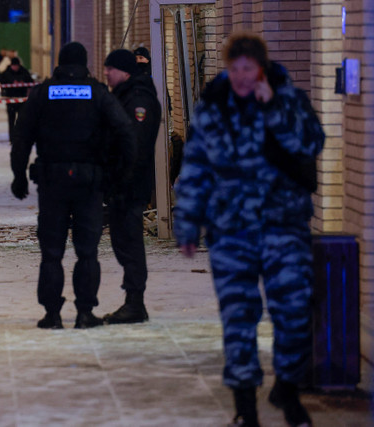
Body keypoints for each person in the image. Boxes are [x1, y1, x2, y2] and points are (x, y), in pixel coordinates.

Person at [173, 32, 324, 427]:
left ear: (261, 68)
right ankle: (245, 407)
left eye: (248, 68)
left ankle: (287, 388)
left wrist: (272, 107)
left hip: (283, 228)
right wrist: (187, 222)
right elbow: (195, 169)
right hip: (231, 230)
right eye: (235, 68)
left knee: (294, 313)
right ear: (228, 68)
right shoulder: (214, 108)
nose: (241, 76)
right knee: (239, 319)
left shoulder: (288, 98)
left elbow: (311, 142)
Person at [10, 42, 137, 330]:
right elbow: (126, 132)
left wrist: (18, 175)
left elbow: (22, 137)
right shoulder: (98, 93)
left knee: (52, 252)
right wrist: (120, 175)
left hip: (52, 182)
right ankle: (84, 313)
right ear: (85, 63)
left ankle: (52, 314)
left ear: (59, 62)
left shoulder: (43, 93)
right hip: (89, 183)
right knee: (87, 251)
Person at [101, 49, 161, 324]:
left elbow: (134, 147)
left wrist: (121, 181)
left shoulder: (139, 100)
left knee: (130, 242)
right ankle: (132, 300)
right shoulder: (124, 96)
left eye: (109, 69)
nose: (105, 74)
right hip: (120, 186)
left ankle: (135, 303)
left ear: (124, 71)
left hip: (131, 186)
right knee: (121, 242)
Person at [0, 57, 34, 143]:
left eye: (16, 66)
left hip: (22, 101)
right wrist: (12, 82)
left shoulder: (24, 71)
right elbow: (2, 81)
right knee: (11, 121)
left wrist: (23, 82)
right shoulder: (6, 73)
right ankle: (12, 139)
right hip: (10, 100)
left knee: (22, 120)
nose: (15, 68)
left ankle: (21, 137)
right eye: (13, 66)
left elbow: (30, 81)